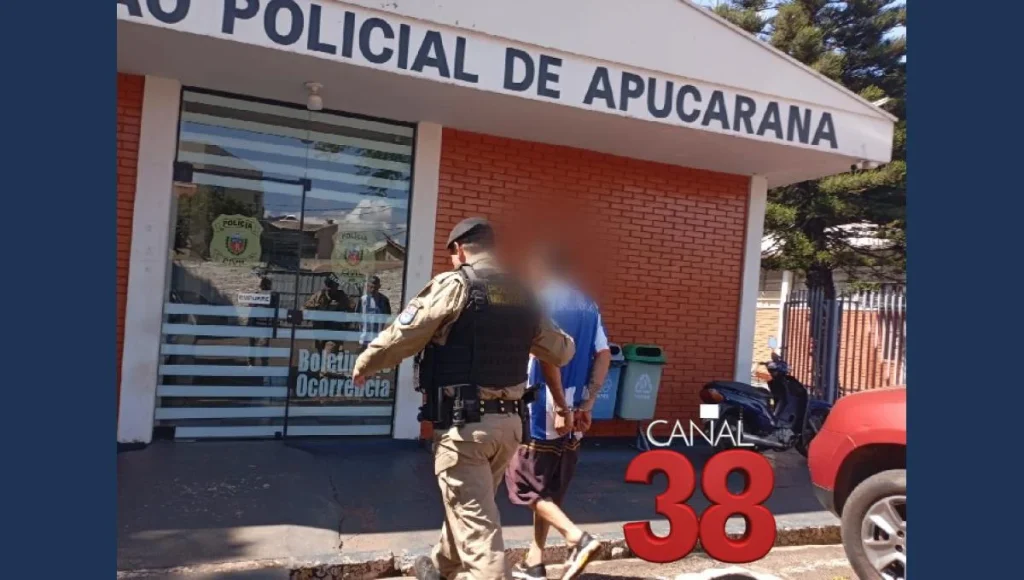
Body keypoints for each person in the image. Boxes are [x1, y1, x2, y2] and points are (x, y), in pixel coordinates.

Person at [351, 218, 577, 580]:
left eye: (452, 255)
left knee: (478, 529)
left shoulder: (455, 285)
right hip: (508, 429)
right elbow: (562, 351)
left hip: (465, 429)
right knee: (471, 507)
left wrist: (366, 363)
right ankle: (441, 569)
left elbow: (404, 334)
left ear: (459, 249)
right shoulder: (523, 293)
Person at [505, 246, 613, 580]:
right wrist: (588, 404)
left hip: (541, 410)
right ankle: (535, 561)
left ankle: (577, 539)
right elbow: (604, 355)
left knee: (522, 484)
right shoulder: (589, 305)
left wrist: (561, 407)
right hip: (576, 412)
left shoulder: (538, 302)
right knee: (549, 491)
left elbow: (546, 356)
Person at [304, 272, 353, 354]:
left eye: (333, 285)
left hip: (334, 332)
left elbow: (351, 307)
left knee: (328, 353)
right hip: (320, 332)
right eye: (329, 285)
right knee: (320, 356)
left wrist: (345, 323)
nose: (330, 288)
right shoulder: (319, 296)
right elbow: (306, 307)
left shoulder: (342, 296)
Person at [358, 275, 392, 348]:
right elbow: (357, 317)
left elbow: (388, 318)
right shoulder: (363, 300)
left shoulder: (384, 300)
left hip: (378, 339)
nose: (372, 290)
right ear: (367, 286)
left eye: (375, 287)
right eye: (371, 287)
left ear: (379, 287)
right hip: (364, 338)